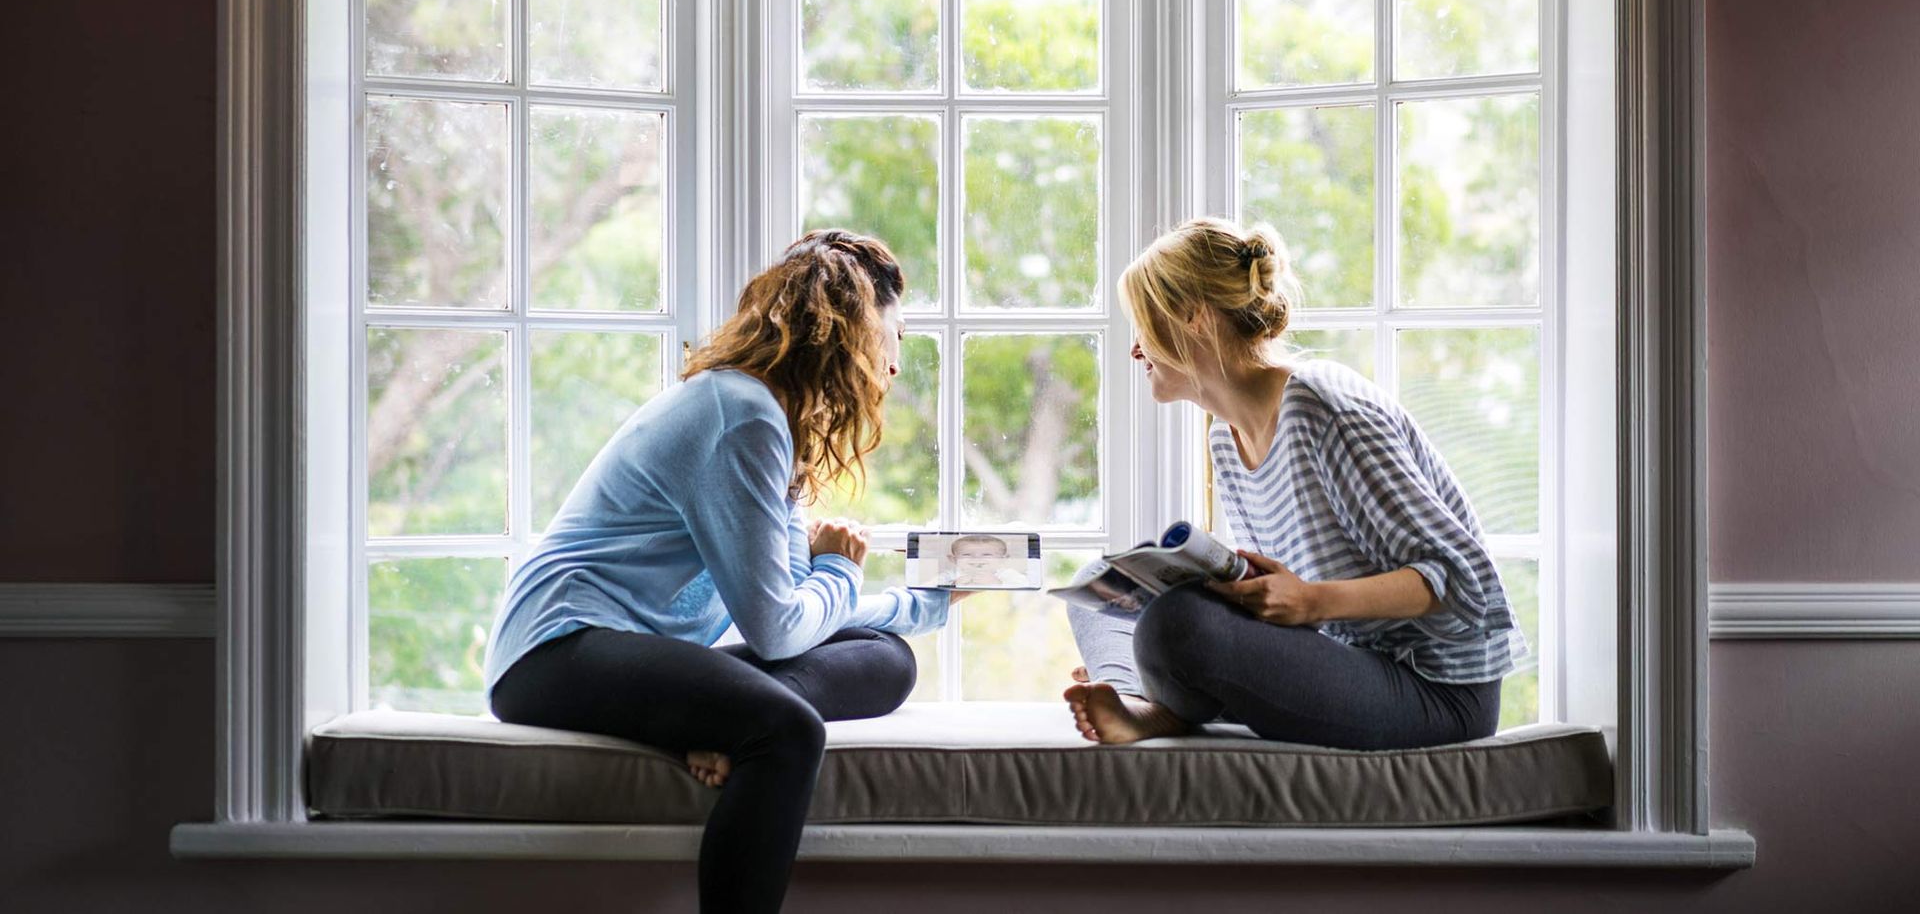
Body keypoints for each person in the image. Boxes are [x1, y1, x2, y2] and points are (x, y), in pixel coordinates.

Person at [485, 229, 955, 913]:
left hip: (629, 652)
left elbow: (797, 612)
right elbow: (779, 630)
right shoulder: (742, 416)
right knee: (789, 731)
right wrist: (838, 571)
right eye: (898, 334)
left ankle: (716, 721)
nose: (897, 363)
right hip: (555, 649)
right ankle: (732, 724)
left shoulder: (771, 420)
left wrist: (926, 604)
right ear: (853, 330)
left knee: (888, 659)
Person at [1063, 217, 1528, 752]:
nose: (1135, 351)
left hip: (1436, 691)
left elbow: (1462, 580)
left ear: (1192, 317)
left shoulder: (1324, 408)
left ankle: (1157, 699)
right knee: (1096, 587)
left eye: (1142, 325)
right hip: (1339, 655)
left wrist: (1311, 601)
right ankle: (1136, 698)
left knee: (1177, 624)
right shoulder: (1225, 437)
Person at [934, 534, 1030, 588]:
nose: (977, 559)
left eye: (987, 554)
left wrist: (998, 583)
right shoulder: (951, 575)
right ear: (953, 559)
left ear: (1002, 559)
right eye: (967, 555)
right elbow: (929, 588)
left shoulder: (1006, 574)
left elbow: (1025, 586)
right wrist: (953, 585)